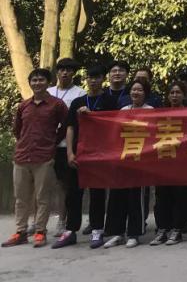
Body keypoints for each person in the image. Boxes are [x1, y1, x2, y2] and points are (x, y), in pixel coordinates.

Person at [53, 64, 115, 249]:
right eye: (90, 77)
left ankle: (97, 229)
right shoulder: (78, 101)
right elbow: (70, 128)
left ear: (103, 79)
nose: (93, 81)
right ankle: (70, 230)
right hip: (78, 153)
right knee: (73, 193)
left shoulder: (110, 101)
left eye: (97, 77)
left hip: (99, 155)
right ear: (86, 80)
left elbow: (114, 126)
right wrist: (70, 152)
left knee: (97, 193)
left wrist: (93, 115)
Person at [4, 68, 67, 249]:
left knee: (42, 198)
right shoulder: (23, 105)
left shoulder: (57, 105)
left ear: (48, 83)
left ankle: (40, 231)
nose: (37, 83)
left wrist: (53, 141)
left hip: (44, 157)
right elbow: (17, 129)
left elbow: (67, 125)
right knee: (21, 198)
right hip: (22, 157)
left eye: (41, 80)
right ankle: (21, 232)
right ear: (30, 83)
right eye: (34, 80)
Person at [102, 79, 152, 248]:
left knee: (136, 198)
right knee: (117, 197)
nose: (135, 93)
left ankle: (134, 234)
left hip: (141, 161)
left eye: (139, 90)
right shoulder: (123, 110)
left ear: (145, 93)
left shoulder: (151, 111)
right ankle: (118, 233)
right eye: (133, 90)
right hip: (122, 159)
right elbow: (115, 133)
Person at [149, 80, 187, 246]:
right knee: (162, 197)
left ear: (184, 95)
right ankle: (162, 229)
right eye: (172, 93)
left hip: (183, 163)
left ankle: (177, 229)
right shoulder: (160, 114)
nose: (175, 95)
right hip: (163, 161)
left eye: (178, 93)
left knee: (180, 196)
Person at [47, 58, 85, 241]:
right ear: (57, 72)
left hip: (67, 145)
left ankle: (63, 221)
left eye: (69, 70)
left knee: (67, 186)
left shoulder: (80, 93)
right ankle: (38, 223)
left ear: (73, 73)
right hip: (48, 145)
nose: (65, 73)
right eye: (62, 69)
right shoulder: (48, 92)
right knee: (48, 185)